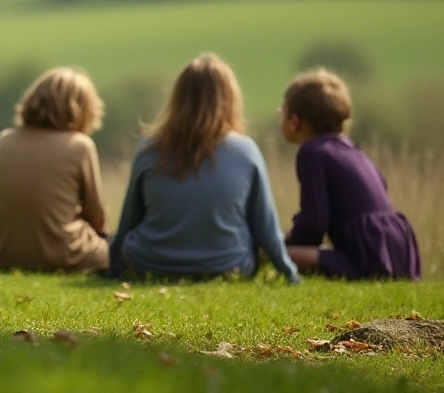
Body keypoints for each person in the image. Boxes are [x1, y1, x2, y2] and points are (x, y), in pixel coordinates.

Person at [108, 54, 300, 283]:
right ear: (230, 100)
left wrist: (114, 265)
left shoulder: (148, 150)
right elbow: (265, 227)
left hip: (149, 263)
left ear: (178, 99)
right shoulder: (245, 150)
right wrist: (290, 272)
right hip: (230, 266)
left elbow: (129, 221)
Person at [281, 69, 421, 280]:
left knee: (284, 255)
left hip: (369, 256)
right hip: (398, 251)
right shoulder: (353, 149)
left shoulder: (312, 152)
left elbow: (314, 223)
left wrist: (284, 243)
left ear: (295, 121)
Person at [0, 67, 109, 273]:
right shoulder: (80, 146)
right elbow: (97, 217)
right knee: (115, 247)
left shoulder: (5, 140)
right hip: (64, 255)